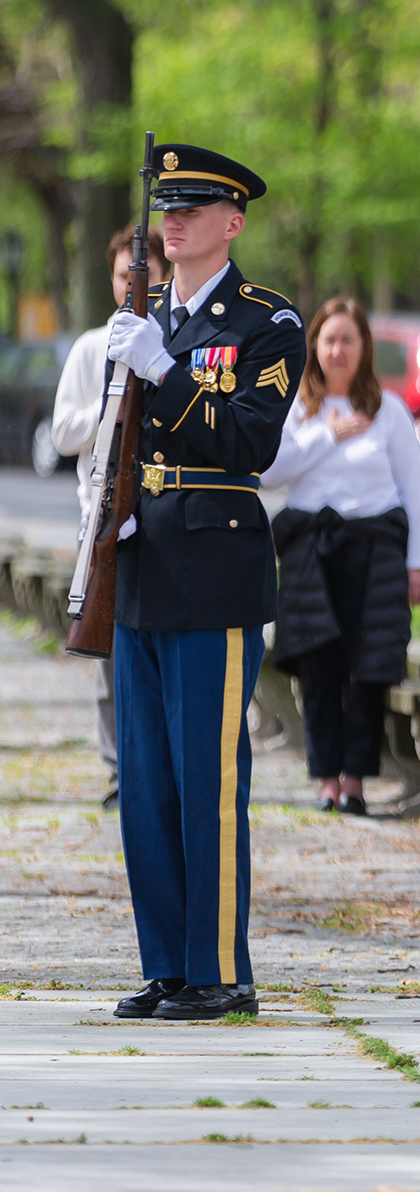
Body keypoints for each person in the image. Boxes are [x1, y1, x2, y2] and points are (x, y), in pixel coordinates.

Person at [103, 143, 304, 1022]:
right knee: (145, 779)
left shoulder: (268, 323)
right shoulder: (147, 318)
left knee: (206, 777)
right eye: (165, 205)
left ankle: (220, 969)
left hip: (214, 567)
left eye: (192, 206)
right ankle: (167, 966)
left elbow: (250, 440)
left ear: (235, 222)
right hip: (141, 561)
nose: (171, 219)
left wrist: (163, 372)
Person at [260, 299, 420, 815]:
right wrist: (326, 435)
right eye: (329, 339)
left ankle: (356, 781)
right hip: (311, 550)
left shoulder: (389, 411)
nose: (337, 350)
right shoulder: (297, 407)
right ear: (314, 345)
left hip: (375, 551)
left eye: (348, 340)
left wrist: (417, 562)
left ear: (364, 349)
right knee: (319, 670)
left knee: (368, 669)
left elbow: (414, 491)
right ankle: (327, 780)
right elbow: (271, 471)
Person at [52, 222, 162, 810]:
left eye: (143, 276)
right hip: (99, 518)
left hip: (159, 519)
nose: (132, 287)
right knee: (105, 650)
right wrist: (110, 409)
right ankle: (119, 771)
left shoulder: (170, 341)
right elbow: (63, 429)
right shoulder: (91, 347)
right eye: (124, 276)